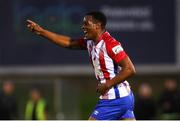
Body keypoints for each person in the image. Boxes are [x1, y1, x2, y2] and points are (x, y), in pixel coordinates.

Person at [26, 11, 136, 120]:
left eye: (86, 24)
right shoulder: (90, 42)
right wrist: (41, 31)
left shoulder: (109, 43)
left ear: (97, 26)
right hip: (124, 97)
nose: (83, 27)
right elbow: (69, 43)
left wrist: (108, 84)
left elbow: (130, 69)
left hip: (115, 99)